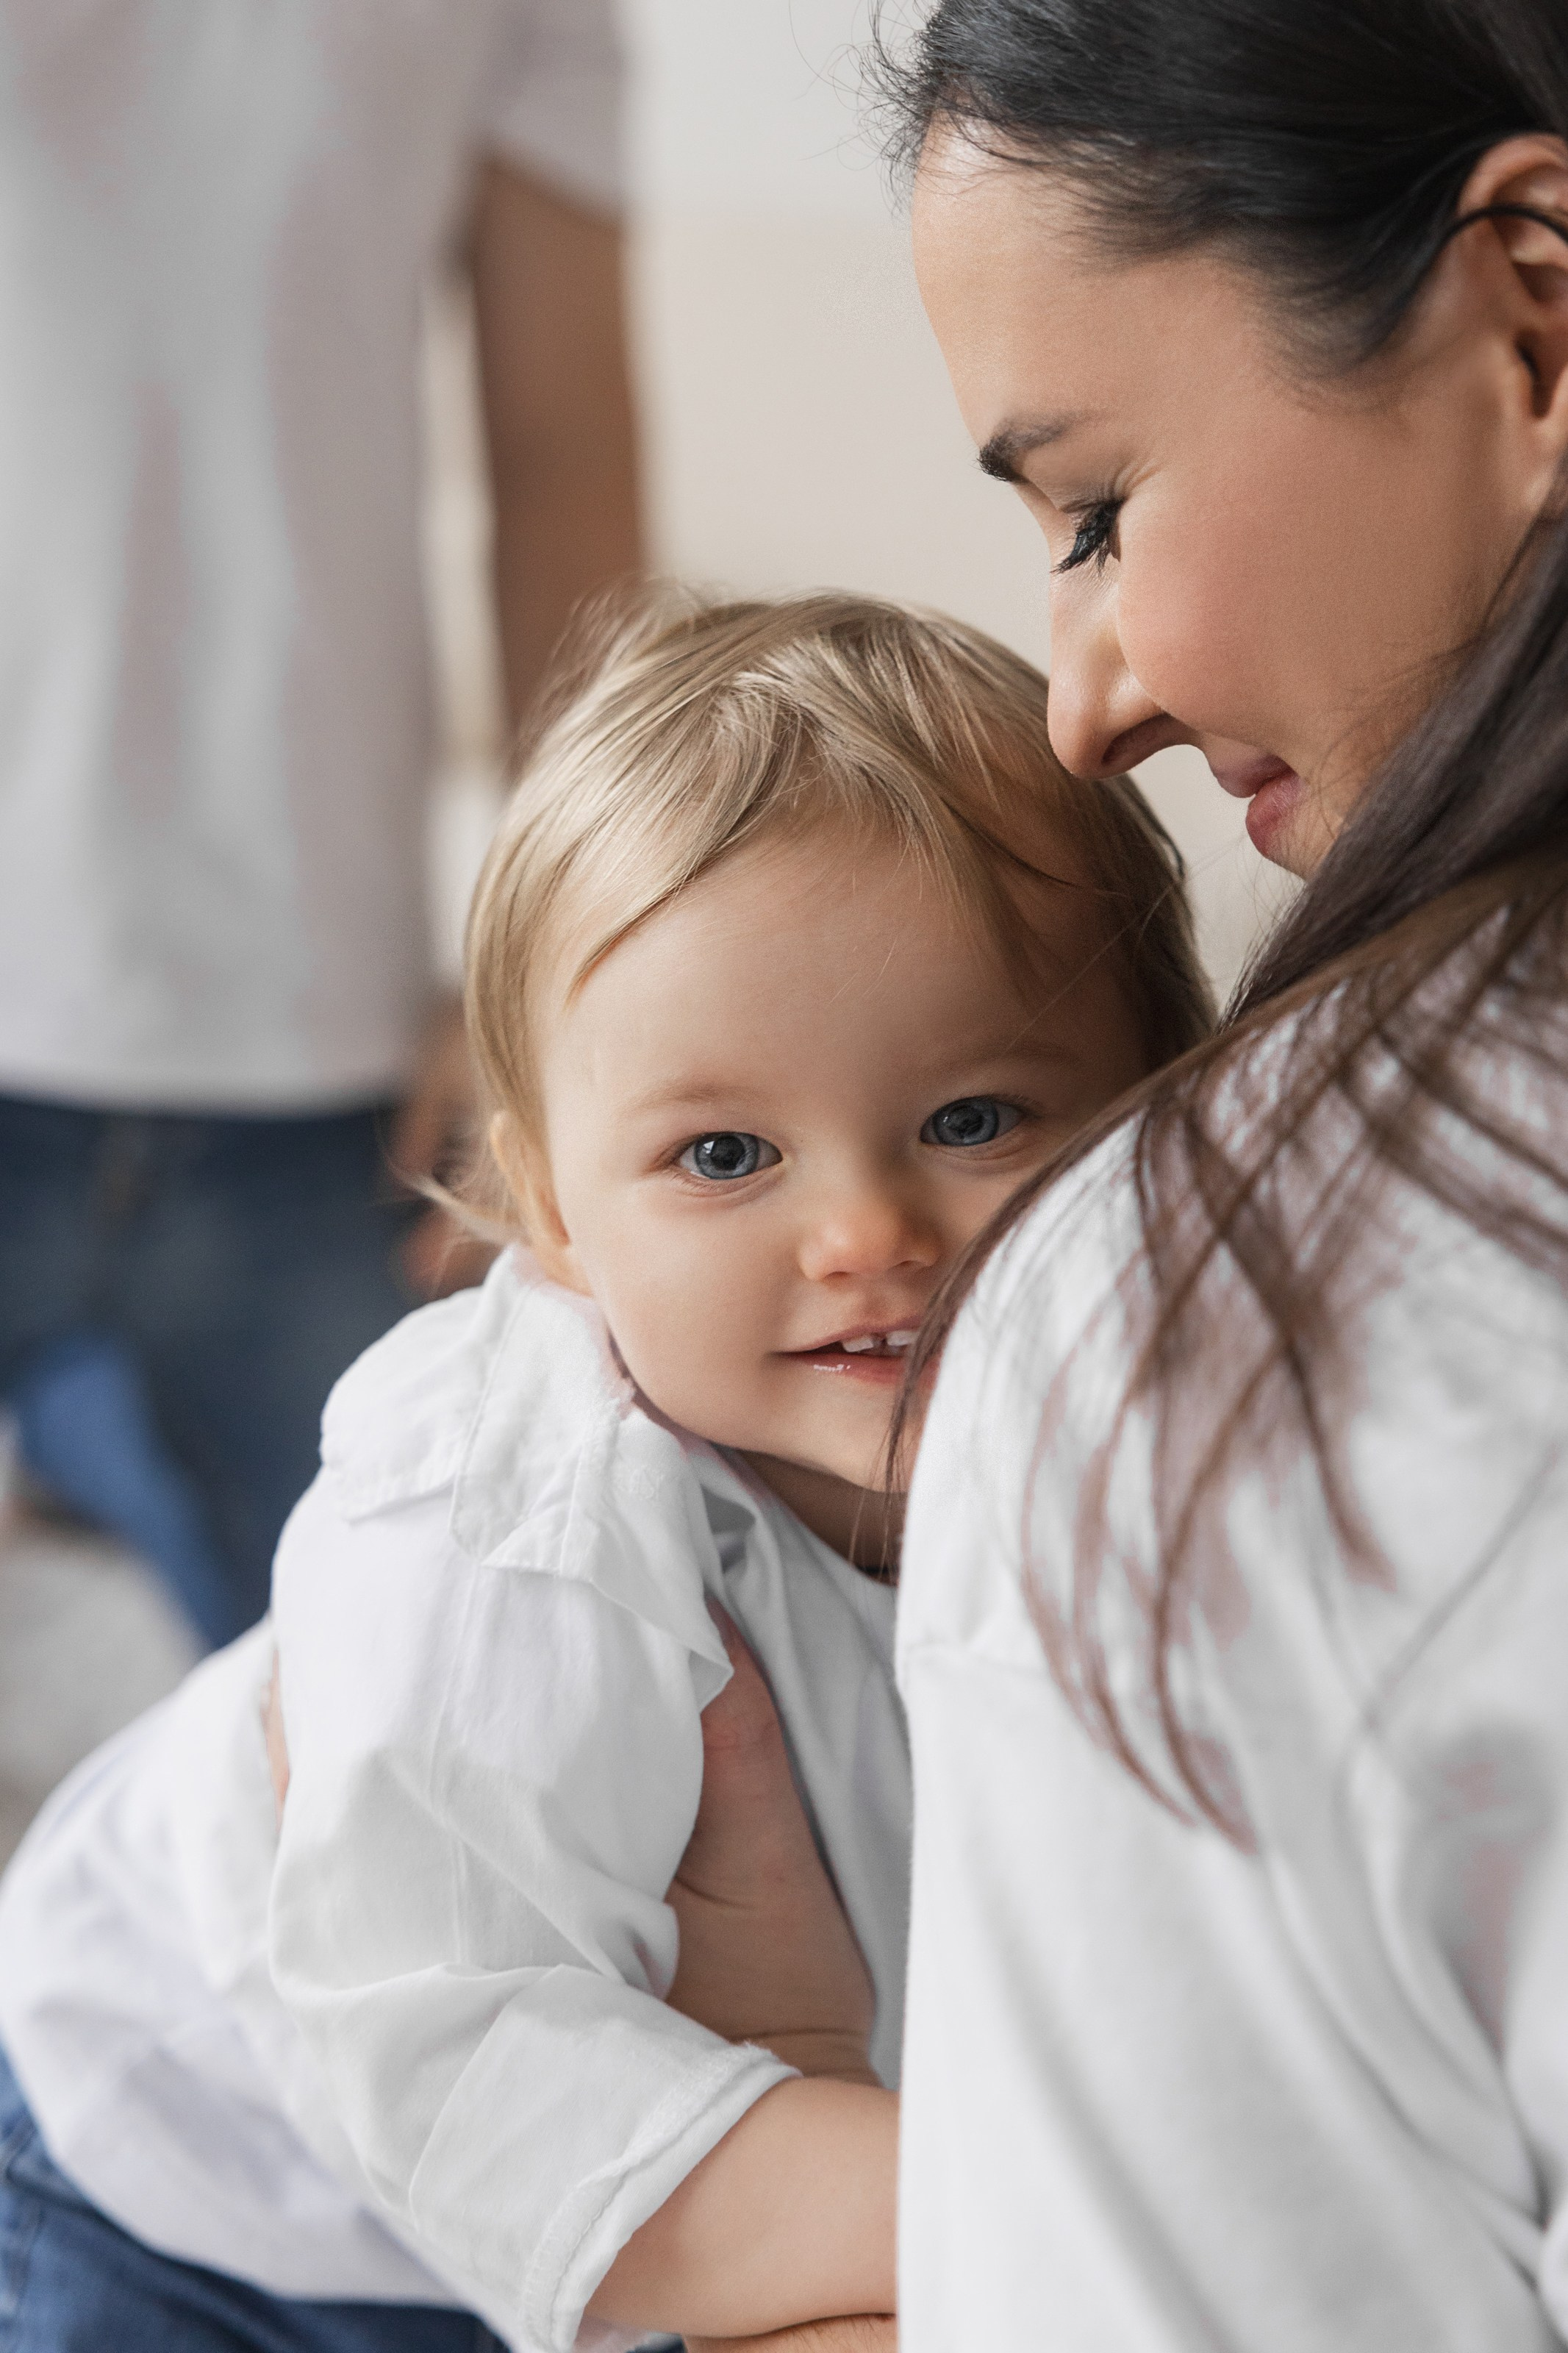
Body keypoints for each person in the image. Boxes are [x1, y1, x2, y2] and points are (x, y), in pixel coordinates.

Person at [0, 590, 1211, 2350]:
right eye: (725, 1153)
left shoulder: (1154, 1418)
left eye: (973, 1119)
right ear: (555, 1214)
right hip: (175, 2187)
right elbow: (450, 2062)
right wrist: (998, 2186)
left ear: (1163, 1105)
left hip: (616, 2190)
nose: (864, 1231)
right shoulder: (514, 1504)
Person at [659, 2, 1568, 2346]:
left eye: (1089, 508)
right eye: (714, 1152)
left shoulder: (1205, 1342)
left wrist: (792, 2098)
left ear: (1530, 317)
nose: (1087, 701)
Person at [0, 0, 641, 1647]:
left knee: (401, 1706)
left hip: (318, 1060)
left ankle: (89, 1444)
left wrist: (555, 966)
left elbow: (562, 463)